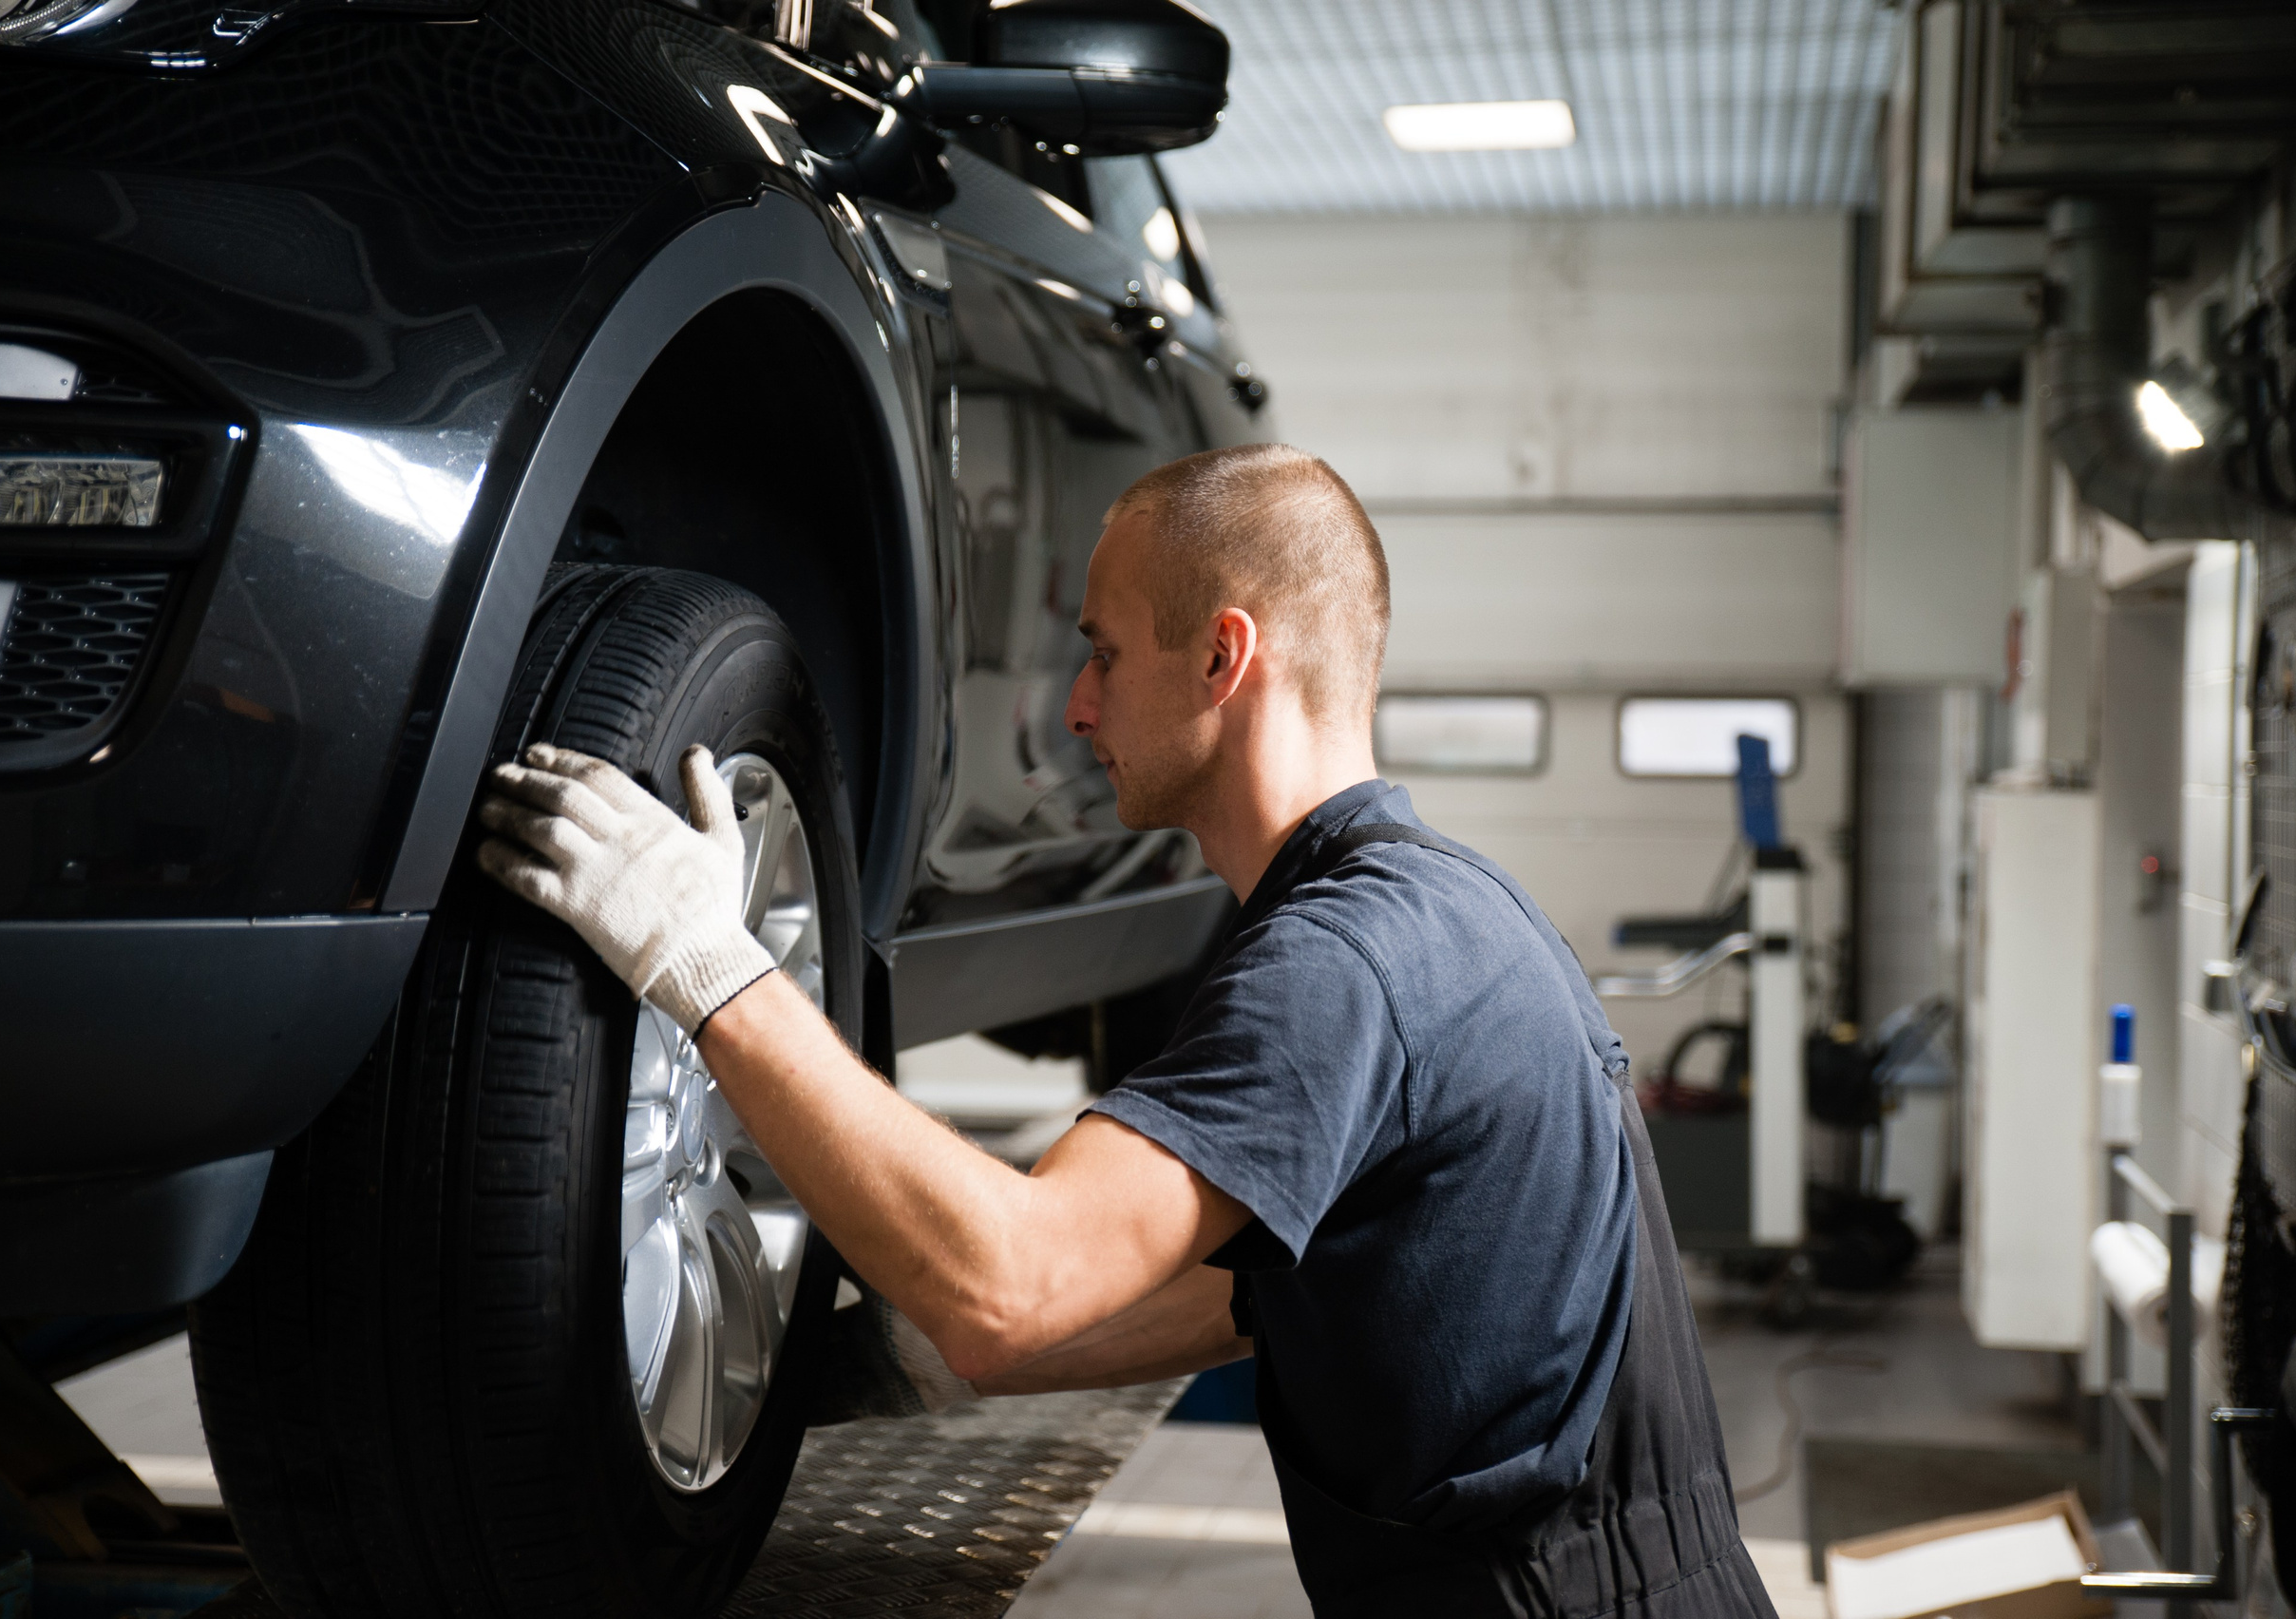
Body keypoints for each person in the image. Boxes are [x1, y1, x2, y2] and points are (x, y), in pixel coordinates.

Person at [476, 444, 1774, 1617]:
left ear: (1223, 657)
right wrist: (901, 1359)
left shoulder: (1340, 965)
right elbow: (1277, 1299)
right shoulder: (1454, 911)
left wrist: (706, 962)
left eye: (1101, 653)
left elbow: (1008, 1285)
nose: (1078, 710)